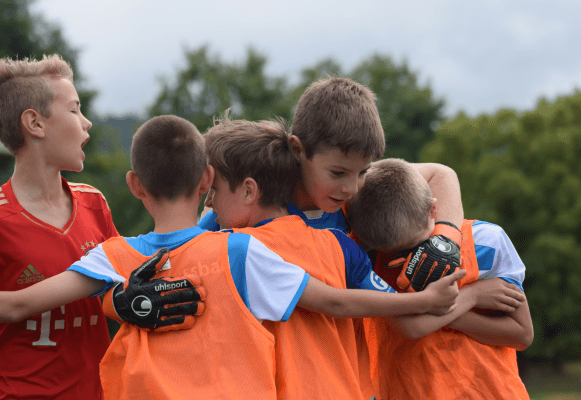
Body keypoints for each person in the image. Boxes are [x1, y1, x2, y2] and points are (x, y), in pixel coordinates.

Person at [0, 116, 464, 400]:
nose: (350, 186)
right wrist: (117, 299)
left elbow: (17, 304)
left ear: (135, 186)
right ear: (207, 181)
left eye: (356, 175)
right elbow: (335, 302)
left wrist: (116, 292)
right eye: (340, 173)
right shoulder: (239, 246)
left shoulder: (122, 252)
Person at [197, 77, 464, 399]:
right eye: (337, 174)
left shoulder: (349, 184)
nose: (352, 187)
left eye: (363, 172)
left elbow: (442, 174)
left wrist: (446, 239)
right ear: (298, 150)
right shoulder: (245, 212)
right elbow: (189, 252)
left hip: (347, 379)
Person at [0, 54, 118, 399]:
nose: (86, 123)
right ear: (35, 123)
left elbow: (120, 287)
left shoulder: (94, 203)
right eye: (74, 110)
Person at [345, 158, 533, 400]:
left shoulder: (488, 242)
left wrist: (437, 313)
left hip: (491, 391)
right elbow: (409, 327)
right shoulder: (370, 262)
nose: (416, 258)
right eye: (399, 254)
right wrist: (471, 296)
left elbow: (522, 334)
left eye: (421, 244)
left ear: (434, 209)